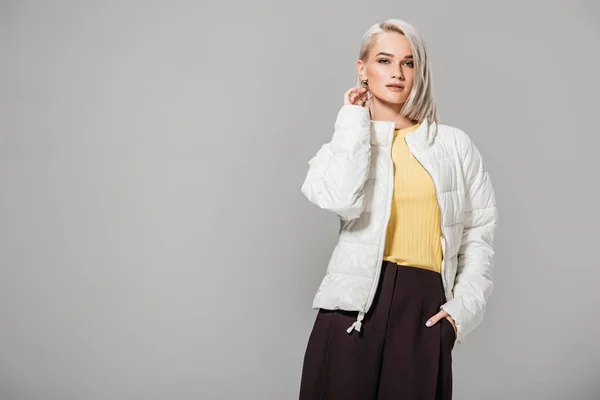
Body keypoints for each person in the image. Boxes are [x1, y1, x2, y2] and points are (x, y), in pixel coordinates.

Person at [297, 18, 498, 400]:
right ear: (363, 69)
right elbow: (341, 199)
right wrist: (354, 122)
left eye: (409, 63)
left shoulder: (453, 145)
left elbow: (479, 235)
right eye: (385, 61)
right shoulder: (347, 141)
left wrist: (459, 313)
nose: (397, 73)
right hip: (353, 307)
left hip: (423, 307)